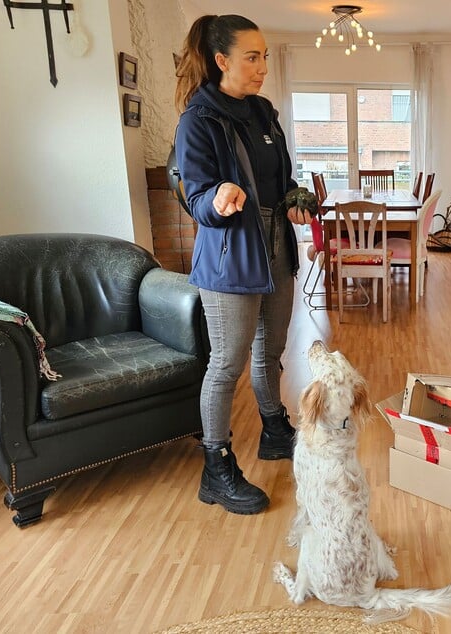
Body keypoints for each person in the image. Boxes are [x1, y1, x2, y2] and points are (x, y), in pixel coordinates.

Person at [174, 14, 315, 515]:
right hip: (231, 258)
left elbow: (283, 180)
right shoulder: (199, 119)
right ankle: (216, 469)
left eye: (265, 56)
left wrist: (296, 197)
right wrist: (218, 196)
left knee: (270, 350)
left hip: (276, 245)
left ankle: (275, 430)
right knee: (226, 365)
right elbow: (193, 196)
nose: (262, 67)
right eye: (251, 57)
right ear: (221, 61)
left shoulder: (263, 113)